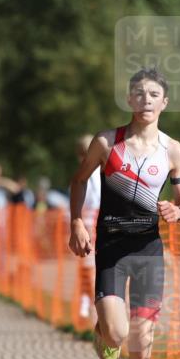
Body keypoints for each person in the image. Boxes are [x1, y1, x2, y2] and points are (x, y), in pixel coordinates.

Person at [68, 67, 180, 359]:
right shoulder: (107, 143)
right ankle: (103, 331)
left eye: (153, 94)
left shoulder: (173, 151)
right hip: (112, 248)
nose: (146, 100)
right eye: (139, 94)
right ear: (129, 100)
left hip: (149, 250)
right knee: (118, 335)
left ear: (164, 102)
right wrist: (76, 223)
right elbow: (78, 180)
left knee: (142, 341)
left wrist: (179, 211)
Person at [75, 135, 103, 323]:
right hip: (89, 222)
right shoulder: (85, 173)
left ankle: (93, 305)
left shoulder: (98, 172)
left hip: (97, 221)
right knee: (88, 268)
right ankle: (87, 300)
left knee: (93, 268)